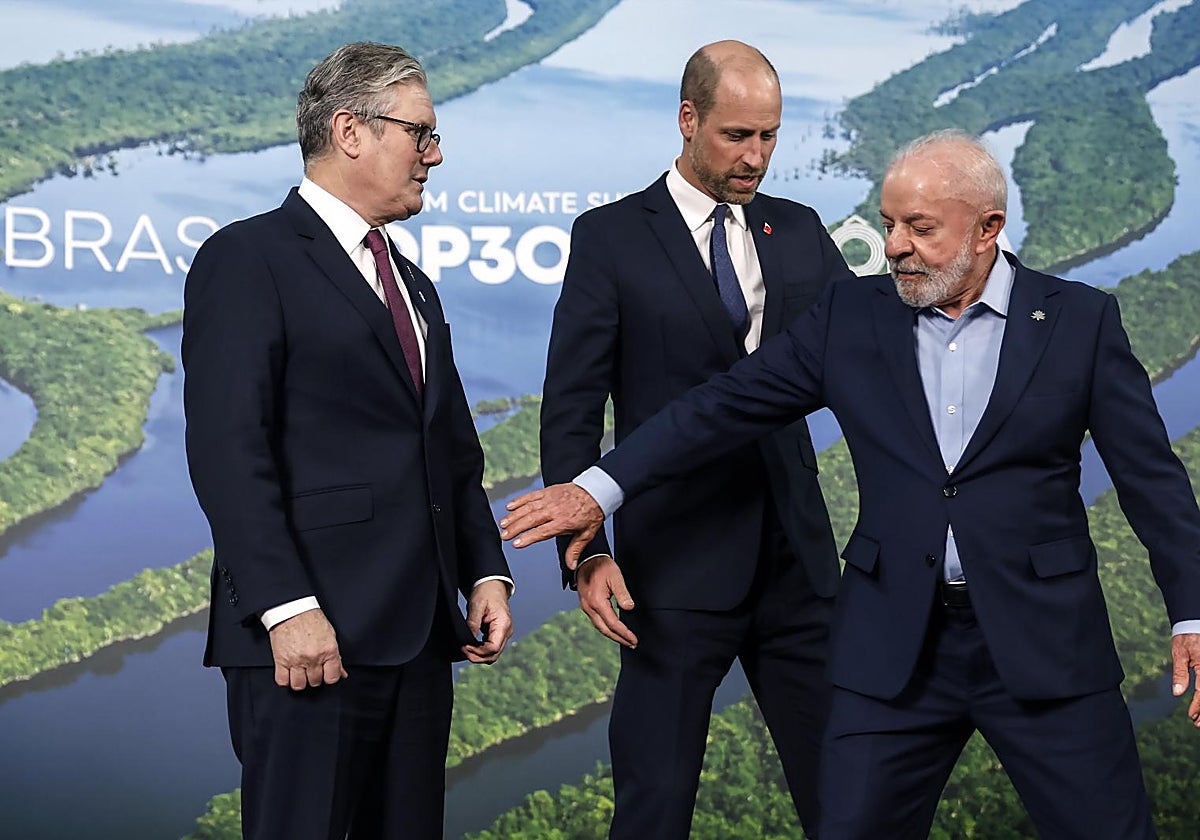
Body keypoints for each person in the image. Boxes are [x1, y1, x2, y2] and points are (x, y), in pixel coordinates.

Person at [502, 129, 1200, 839]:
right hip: (891, 656)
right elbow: (718, 409)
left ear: (988, 229)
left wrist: (1192, 611)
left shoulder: (1080, 321)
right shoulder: (850, 317)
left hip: (1047, 647)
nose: (893, 245)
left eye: (919, 228)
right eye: (890, 223)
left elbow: (1152, 480)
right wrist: (598, 488)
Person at [183, 41, 514, 839]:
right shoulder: (246, 258)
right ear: (350, 130)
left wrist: (485, 569)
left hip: (421, 637)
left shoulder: (412, 279)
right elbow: (229, 450)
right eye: (421, 133)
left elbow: (451, 449)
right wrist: (285, 607)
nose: (435, 155)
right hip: (307, 642)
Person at [538, 40, 853, 838]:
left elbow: (871, 358)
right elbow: (572, 408)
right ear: (687, 119)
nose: (756, 158)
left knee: (851, 800)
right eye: (737, 136)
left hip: (799, 568)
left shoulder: (802, 229)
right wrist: (587, 552)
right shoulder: (609, 237)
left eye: (770, 137)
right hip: (670, 574)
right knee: (655, 806)